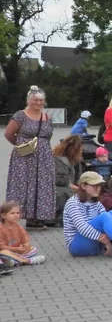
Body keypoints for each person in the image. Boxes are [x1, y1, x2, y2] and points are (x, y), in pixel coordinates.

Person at [4, 86, 55, 228]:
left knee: (42, 185)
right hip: (24, 158)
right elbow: (8, 133)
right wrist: (21, 146)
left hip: (44, 158)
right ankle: (14, 216)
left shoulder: (47, 118)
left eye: (40, 100)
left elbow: (48, 136)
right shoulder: (20, 115)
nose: (38, 103)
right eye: (35, 100)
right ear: (29, 101)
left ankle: (37, 217)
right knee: (22, 185)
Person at [0, 201, 46, 267]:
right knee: (3, 253)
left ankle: (14, 261)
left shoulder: (19, 227)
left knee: (33, 249)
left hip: (17, 252)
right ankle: (28, 261)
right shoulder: (1, 228)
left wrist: (26, 246)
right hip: (6, 252)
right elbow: (1, 247)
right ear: (3, 215)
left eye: (18, 213)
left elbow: (26, 242)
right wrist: (15, 249)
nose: (16, 215)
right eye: (12, 213)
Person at [53, 136, 83, 222]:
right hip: (60, 188)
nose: (81, 151)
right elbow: (62, 181)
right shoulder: (59, 160)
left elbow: (78, 177)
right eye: (80, 149)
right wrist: (81, 189)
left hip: (69, 186)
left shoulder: (76, 160)